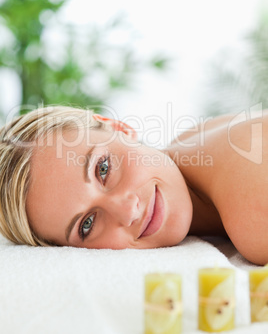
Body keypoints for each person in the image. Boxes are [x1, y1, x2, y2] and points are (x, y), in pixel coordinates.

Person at [0, 105, 267, 265]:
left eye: (103, 168)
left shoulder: (253, 212)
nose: (128, 211)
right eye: (87, 224)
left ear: (119, 127)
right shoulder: (190, 144)